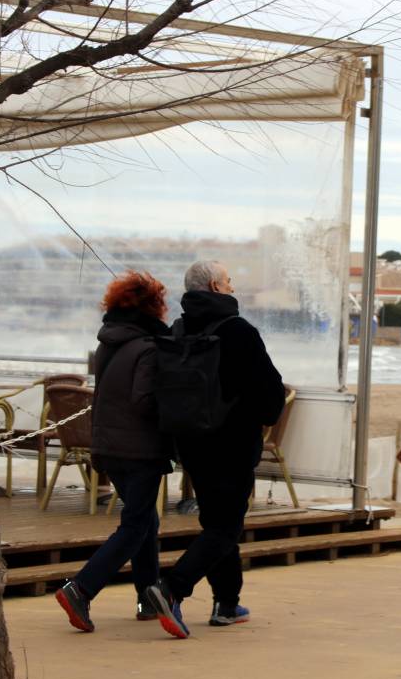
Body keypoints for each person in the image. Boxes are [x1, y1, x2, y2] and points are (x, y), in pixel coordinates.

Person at [144, 260, 285, 639]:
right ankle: (172, 587)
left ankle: (227, 603)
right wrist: (262, 414)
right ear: (215, 287)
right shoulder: (238, 331)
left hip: (191, 442)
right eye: (228, 281)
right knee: (225, 526)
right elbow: (271, 394)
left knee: (217, 522)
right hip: (233, 444)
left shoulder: (178, 329)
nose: (233, 286)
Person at [56, 270, 174, 632]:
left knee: (145, 520)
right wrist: (172, 410)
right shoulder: (150, 347)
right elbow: (143, 400)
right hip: (140, 448)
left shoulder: (109, 343)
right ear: (154, 307)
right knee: (136, 525)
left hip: (108, 445)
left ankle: (146, 597)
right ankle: (81, 588)